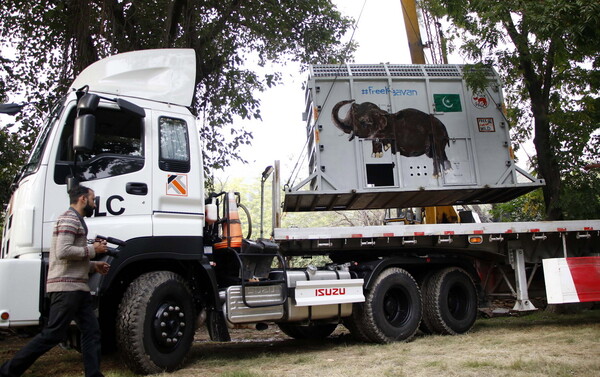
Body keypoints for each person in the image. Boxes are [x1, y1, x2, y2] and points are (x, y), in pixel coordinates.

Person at [0, 185, 110, 377]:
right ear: (83, 199)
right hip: (67, 289)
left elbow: (72, 258)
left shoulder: (76, 220)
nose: (94, 203)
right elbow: (63, 251)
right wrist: (94, 250)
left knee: (91, 332)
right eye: (92, 199)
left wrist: (94, 266)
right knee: (52, 334)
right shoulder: (68, 219)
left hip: (78, 288)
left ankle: (93, 374)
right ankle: (8, 371)